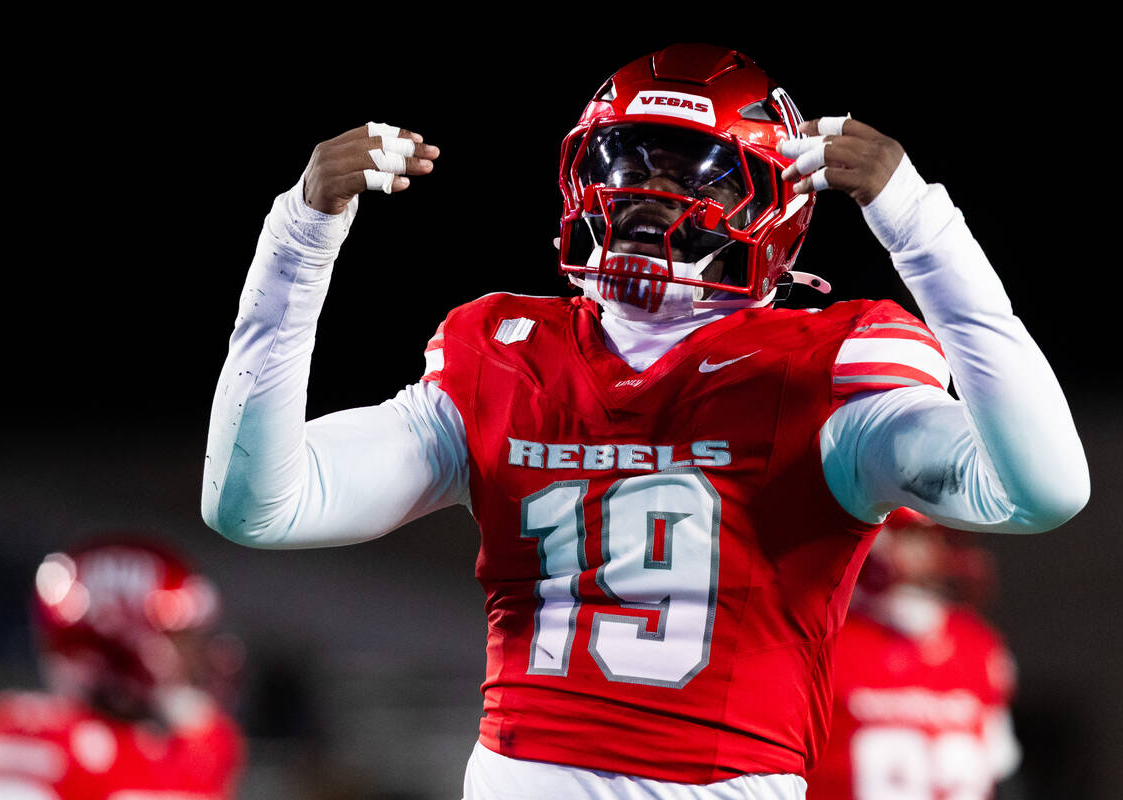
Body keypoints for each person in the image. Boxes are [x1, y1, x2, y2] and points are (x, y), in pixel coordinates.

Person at [201, 43, 1089, 800]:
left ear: (775, 208)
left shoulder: (826, 368)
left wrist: (923, 229)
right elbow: (260, 507)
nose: (645, 192)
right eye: (628, 162)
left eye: (692, 170)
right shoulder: (504, 350)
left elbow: (1043, 489)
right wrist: (298, 239)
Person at [0, 538, 245, 800]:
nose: (203, 656)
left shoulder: (200, 747)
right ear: (133, 648)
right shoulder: (33, 736)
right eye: (184, 641)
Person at [806, 509, 1020, 799]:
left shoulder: (977, 644)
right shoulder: (829, 639)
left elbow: (999, 768)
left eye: (937, 538)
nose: (928, 553)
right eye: (913, 537)